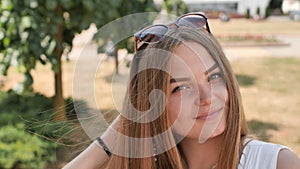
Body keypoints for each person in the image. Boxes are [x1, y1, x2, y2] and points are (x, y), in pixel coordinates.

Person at [63, 12, 300, 169]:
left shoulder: (275, 163)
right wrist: (111, 141)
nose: (207, 98)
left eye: (214, 77)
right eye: (182, 87)